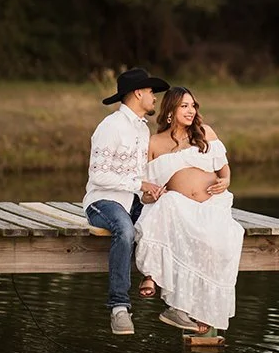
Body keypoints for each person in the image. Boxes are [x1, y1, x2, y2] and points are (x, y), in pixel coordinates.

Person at [134, 86, 244, 334]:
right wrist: (150, 194)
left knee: (221, 240)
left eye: (193, 105)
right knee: (167, 203)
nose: (191, 110)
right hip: (179, 206)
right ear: (170, 110)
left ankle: (202, 309)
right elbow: (144, 189)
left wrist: (225, 181)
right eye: (184, 105)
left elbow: (224, 170)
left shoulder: (205, 133)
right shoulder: (155, 142)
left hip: (211, 204)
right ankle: (153, 276)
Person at [83, 67, 170, 335]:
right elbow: (98, 175)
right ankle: (119, 307)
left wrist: (148, 192)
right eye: (151, 92)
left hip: (132, 200)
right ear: (138, 93)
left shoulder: (143, 131)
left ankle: (166, 293)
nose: (154, 97)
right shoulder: (110, 126)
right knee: (125, 230)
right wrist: (138, 185)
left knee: (169, 215)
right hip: (103, 201)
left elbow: (139, 176)